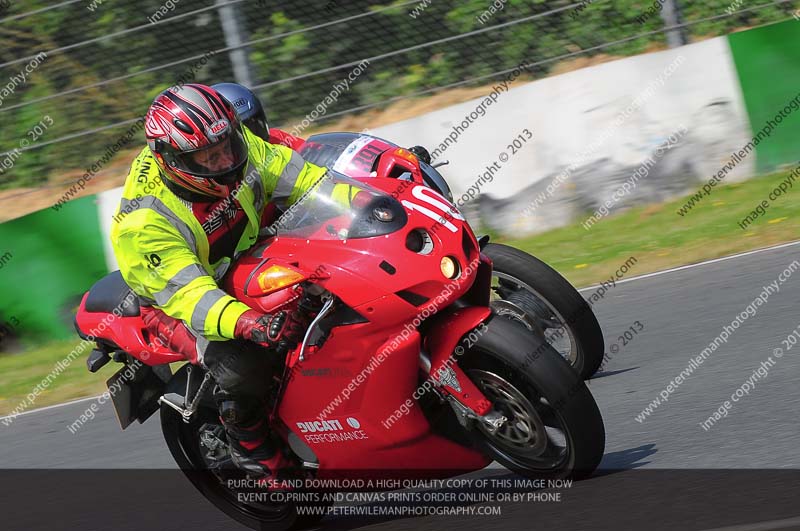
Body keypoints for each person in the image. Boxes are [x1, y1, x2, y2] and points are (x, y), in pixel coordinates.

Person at [111, 83, 329, 479]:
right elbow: (193, 296)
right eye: (208, 157)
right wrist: (253, 324)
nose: (224, 160)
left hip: (236, 258)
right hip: (173, 299)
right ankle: (247, 441)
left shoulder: (235, 142)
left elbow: (309, 180)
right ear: (174, 161)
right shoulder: (145, 224)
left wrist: (374, 206)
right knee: (242, 362)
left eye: (226, 146)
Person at [212, 82, 305, 152]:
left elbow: (311, 150)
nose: (253, 136)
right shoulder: (221, 170)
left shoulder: (277, 139)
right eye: (240, 131)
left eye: (252, 124)